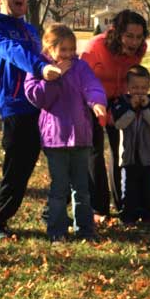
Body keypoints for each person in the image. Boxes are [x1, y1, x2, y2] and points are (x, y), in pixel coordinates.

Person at [0, 0, 66, 241]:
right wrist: (42, 67)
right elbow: (13, 53)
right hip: (17, 107)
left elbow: (44, 54)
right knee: (18, 168)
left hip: (44, 105)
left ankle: (55, 213)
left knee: (61, 163)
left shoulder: (29, 29)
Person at [24, 24, 107, 242]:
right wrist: (53, 79)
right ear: (49, 50)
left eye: (72, 49)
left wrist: (97, 102)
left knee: (82, 188)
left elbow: (92, 86)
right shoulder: (39, 69)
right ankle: (56, 229)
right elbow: (36, 97)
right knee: (59, 188)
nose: (69, 55)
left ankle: (85, 229)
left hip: (81, 136)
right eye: (63, 50)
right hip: (55, 139)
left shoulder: (80, 68)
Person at [81, 10, 148, 221]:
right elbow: (81, 79)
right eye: (129, 36)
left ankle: (124, 204)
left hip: (118, 100)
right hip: (90, 101)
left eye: (139, 37)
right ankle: (98, 207)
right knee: (95, 152)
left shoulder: (140, 49)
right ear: (117, 33)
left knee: (121, 151)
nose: (134, 42)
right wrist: (97, 106)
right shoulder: (95, 47)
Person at [112, 65, 150, 224]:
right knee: (129, 189)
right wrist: (131, 107)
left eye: (143, 87)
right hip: (128, 157)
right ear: (128, 87)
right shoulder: (121, 103)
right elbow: (119, 124)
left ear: (148, 86)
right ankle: (129, 214)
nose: (139, 91)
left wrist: (145, 108)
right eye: (135, 87)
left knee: (149, 188)